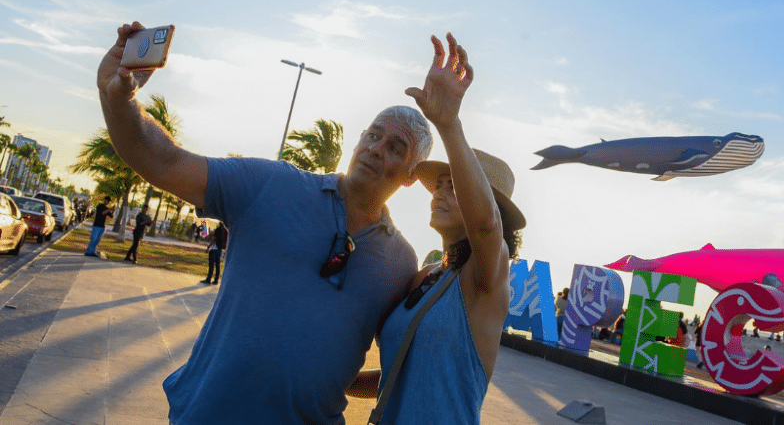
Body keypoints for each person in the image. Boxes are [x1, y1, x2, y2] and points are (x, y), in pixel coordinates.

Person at [96, 21, 434, 425]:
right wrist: (118, 98)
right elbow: (163, 161)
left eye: (396, 147)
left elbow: (399, 365)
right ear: (358, 139)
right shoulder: (271, 185)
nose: (377, 150)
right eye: (374, 136)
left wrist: (330, 377)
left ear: (413, 174)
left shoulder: (400, 263)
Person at [346, 33, 525, 424]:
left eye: (456, 187)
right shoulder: (425, 277)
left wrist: (448, 125)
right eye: (441, 185)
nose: (442, 193)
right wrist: (338, 379)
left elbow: (485, 227)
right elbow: (402, 373)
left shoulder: (486, 280)